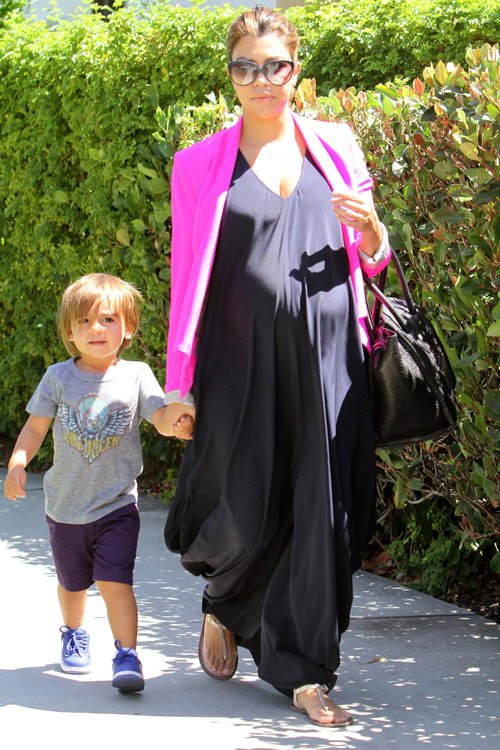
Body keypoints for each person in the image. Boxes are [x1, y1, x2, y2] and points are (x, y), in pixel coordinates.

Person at [163, 5, 391, 727]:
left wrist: (373, 231)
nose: (262, 80)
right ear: (231, 75)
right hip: (237, 363)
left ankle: (305, 669)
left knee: (323, 510)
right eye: (246, 67)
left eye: (275, 65)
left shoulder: (337, 145)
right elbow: (186, 278)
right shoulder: (198, 163)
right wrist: (178, 384)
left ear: (297, 68)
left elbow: (375, 259)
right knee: (237, 504)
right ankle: (224, 599)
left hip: (330, 361)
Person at [3, 273, 192, 693]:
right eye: (84, 321)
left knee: (115, 580)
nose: (96, 329)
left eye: (107, 319)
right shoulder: (58, 377)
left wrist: (176, 424)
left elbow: (159, 416)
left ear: (128, 327)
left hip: (116, 505)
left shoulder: (137, 374)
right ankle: (73, 632)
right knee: (73, 584)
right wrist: (18, 462)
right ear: (70, 333)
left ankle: (127, 654)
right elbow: (35, 428)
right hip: (65, 507)